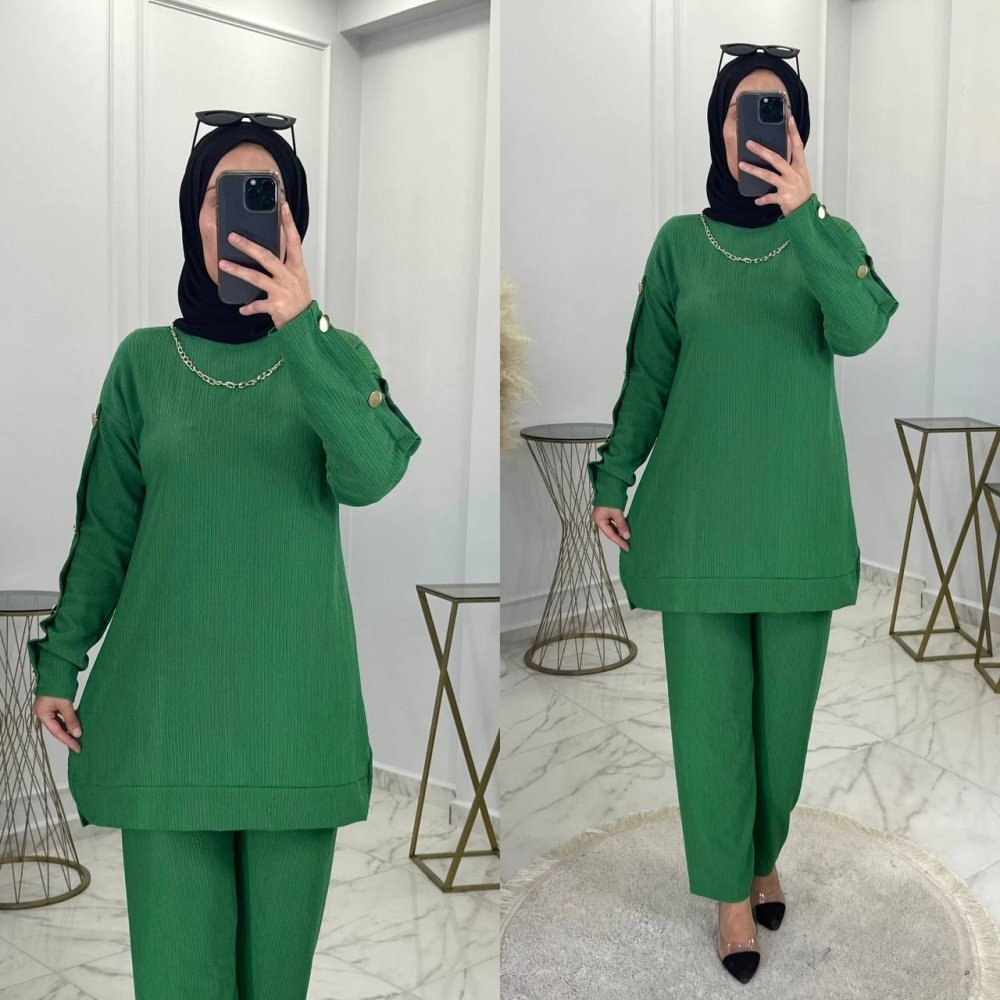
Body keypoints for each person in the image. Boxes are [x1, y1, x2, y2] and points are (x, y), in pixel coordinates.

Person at [28, 114, 422, 999]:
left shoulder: (335, 355)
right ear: (192, 216)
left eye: (265, 197)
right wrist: (60, 658)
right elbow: (105, 531)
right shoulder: (144, 363)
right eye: (221, 194)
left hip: (295, 719)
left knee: (275, 983)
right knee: (180, 979)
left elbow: (371, 476)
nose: (242, 216)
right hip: (169, 718)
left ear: (293, 221)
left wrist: (302, 329)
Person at [588, 48, 899, 984]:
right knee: (711, 725)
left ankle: (764, 854)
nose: (755, 128)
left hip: (799, 522)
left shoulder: (827, 237)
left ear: (797, 131)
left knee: (782, 731)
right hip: (697, 524)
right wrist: (613, 477)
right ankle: (732, 896)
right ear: (717, 127)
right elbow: (649, 373)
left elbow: (862, 328)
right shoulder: (680, 244)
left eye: (775, 112)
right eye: (740, 110)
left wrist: (806, 213)